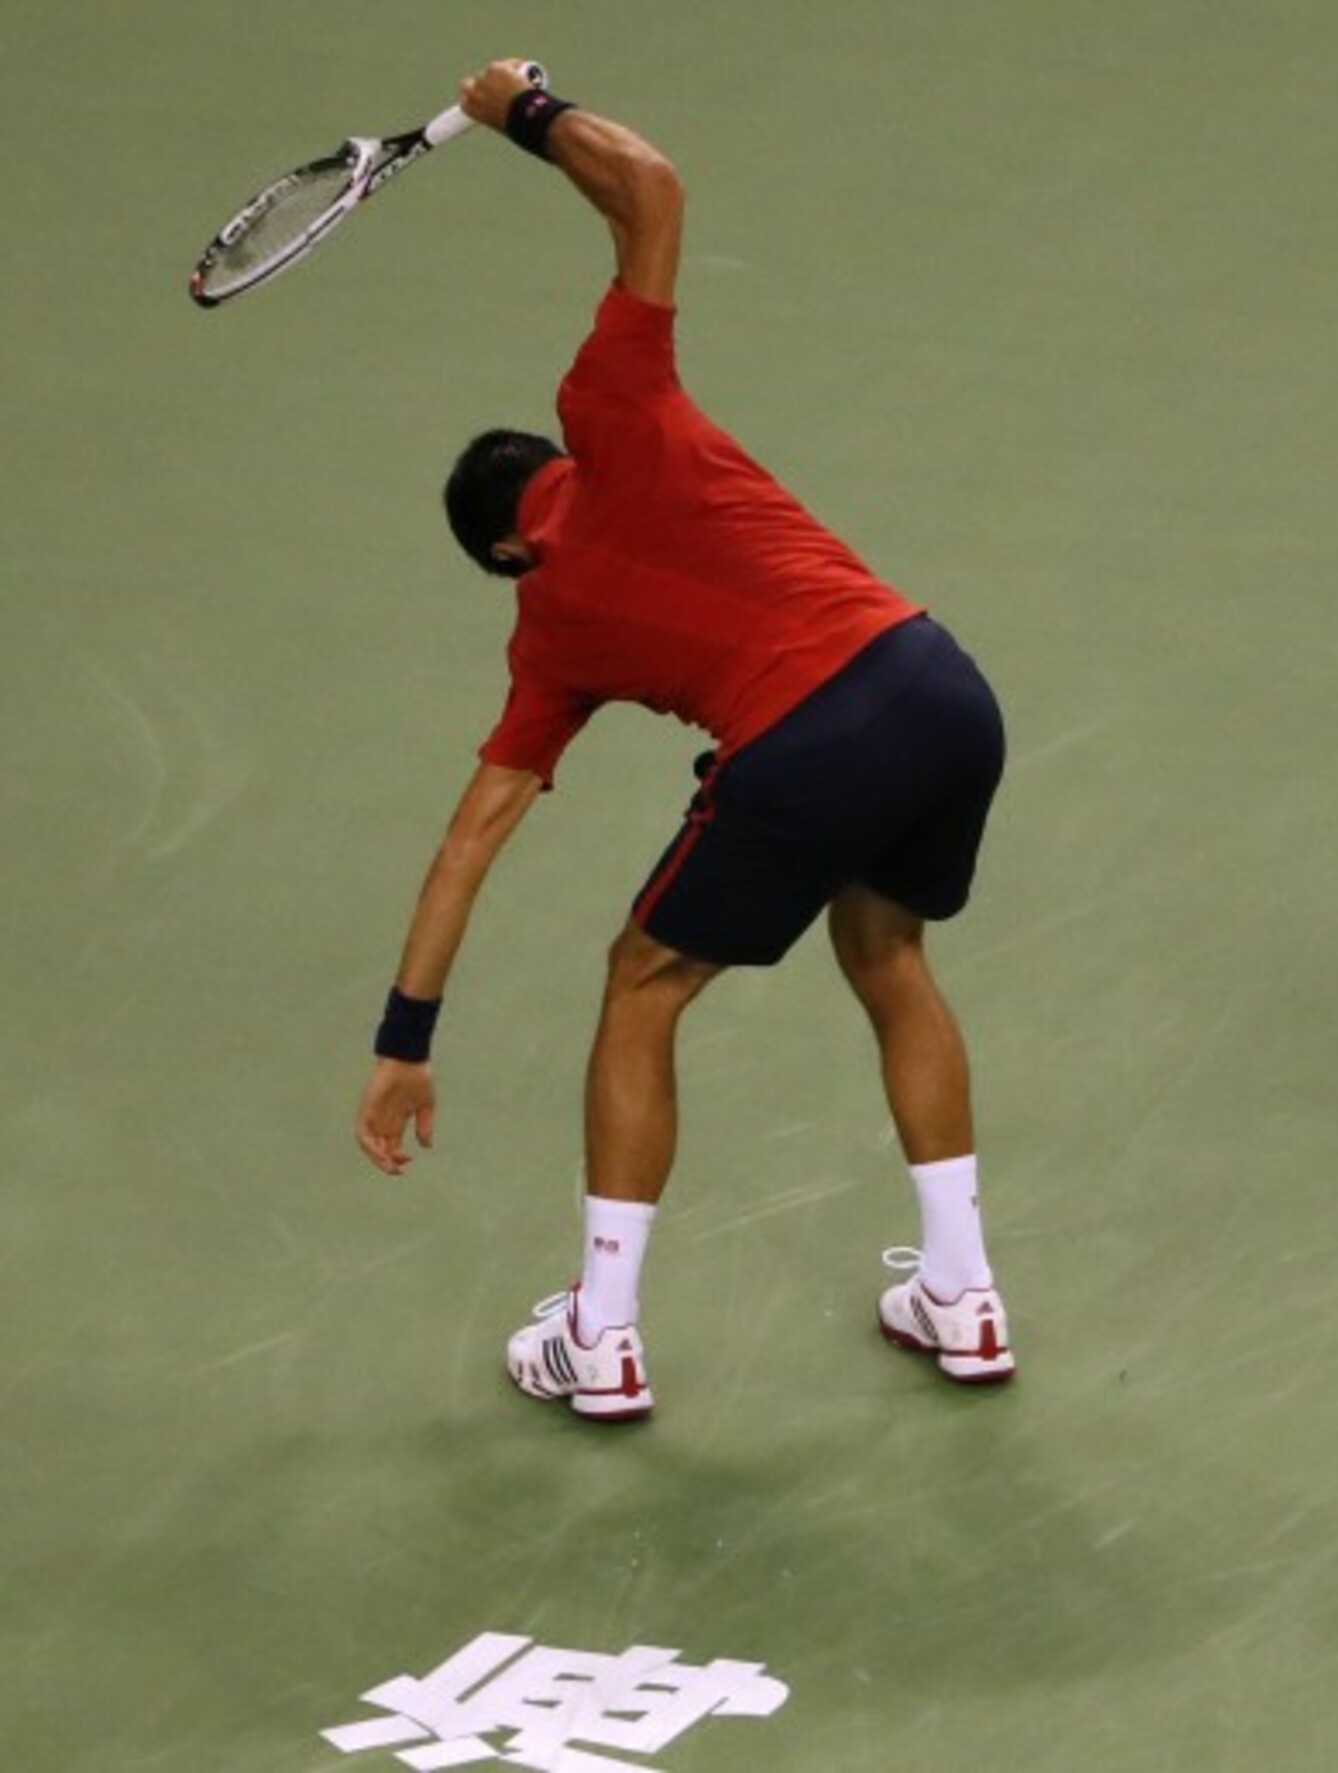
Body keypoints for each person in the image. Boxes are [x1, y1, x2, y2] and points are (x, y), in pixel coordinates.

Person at [354, 60, 1015, 1419]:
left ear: (502, 554)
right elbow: (649, 189)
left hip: (806, 741)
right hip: (942, 688)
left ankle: (600, 1334)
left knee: (642, 984)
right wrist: (527, 112)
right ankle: (963, 1293)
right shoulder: (618, 406)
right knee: (887, 951)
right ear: (552, 467)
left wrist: (404, 1040)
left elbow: (468, 843)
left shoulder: (546, 643)